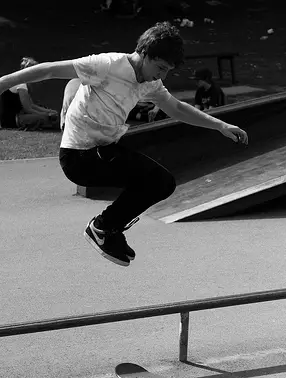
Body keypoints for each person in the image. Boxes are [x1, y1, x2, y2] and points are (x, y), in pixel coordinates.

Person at [0, 21, 248, 267]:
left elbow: (177, 108)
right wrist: (3, 82)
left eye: (167, 71)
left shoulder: (151, 83)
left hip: (102, 152)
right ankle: (103, 227)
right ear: (144, 54)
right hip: (78, 157)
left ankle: (108, 228)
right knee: (154, 180)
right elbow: (49, 70)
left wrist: (220, 125)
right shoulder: (107, 65)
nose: (161, 76)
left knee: (163, 183)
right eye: (159, 67)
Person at [0, 56, 59, 130]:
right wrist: (46, 115)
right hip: (12, 120)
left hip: (16, 117)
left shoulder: (22, 83)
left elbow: (32, 105)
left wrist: (49, 111)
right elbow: (28, 108)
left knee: (46, 112)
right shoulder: (21, 84)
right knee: (43, 118)